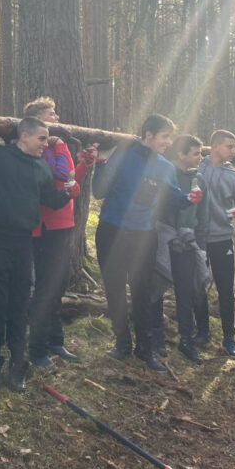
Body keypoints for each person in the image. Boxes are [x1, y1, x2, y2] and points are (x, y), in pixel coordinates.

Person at [0, 116, 76, 392]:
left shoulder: (41, 167)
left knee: (20, 300)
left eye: (47, 139)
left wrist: (68, 192)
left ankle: (17, 361)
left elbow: (50, 200)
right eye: (42, 139)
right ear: (24, 137)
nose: (46, 144)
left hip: (23, 242)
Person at [91, 114, 197, 372]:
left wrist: (189, 199)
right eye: (164, 137)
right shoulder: (123, 155)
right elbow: (99, 191)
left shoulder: (165, 166)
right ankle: (122, 343)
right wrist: (99, 165)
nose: (168, 142)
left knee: (143, 291)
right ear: (148, 136)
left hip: (144, 235)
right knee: (114, 289)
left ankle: (145, 350)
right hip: (112, 231)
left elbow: (173, 198)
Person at [22, 97, 97, 369]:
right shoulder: (43, 147)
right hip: (44, 224)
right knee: (46, 288)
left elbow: (67, 179)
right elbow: (58, 173)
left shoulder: (56, 145)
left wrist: (85, 165)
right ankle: (37, 350)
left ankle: (55, 341)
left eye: (55, 113)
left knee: (58, 285)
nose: (57, 117)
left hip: (63, 223)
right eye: (51, 114)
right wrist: (62, 148)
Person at [196, 129, 235, 359]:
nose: (233, 151)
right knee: (197, 286)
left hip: (222, 239)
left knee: (225, 289)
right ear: (215, 147)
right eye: (229, 146)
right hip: (198, 238)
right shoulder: (196, 168)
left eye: (234, 146)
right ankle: (202, 332)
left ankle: (229, 339)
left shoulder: (234, 176)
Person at [156, 134, 210, 363]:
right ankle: (156, 339)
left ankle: (187, 340)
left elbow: (203, 216)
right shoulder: (166, 174)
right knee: (156, 288)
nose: (200, 157)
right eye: (196, 153)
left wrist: (202, 247)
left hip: (188, 241)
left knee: (187, 292)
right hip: (163, 237)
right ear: (181, 154)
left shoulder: (200, 179)